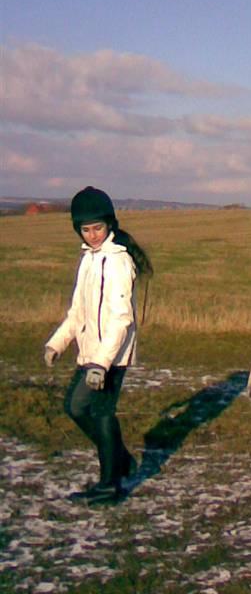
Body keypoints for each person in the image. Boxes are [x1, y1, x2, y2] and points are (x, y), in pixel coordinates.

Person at [44, 186, 153, 505]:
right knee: (75, 407)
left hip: (111, 356)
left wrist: (102, 364)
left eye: (98, 228)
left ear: (110, 225)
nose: (92, 235)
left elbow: (123, 320)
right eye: (86, 229)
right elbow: (77, 311)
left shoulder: (118, 262)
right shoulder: (89, 260)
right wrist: (57, 344)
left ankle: (110, 484)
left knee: (100, 413)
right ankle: (118, 462)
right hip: (90, 352)